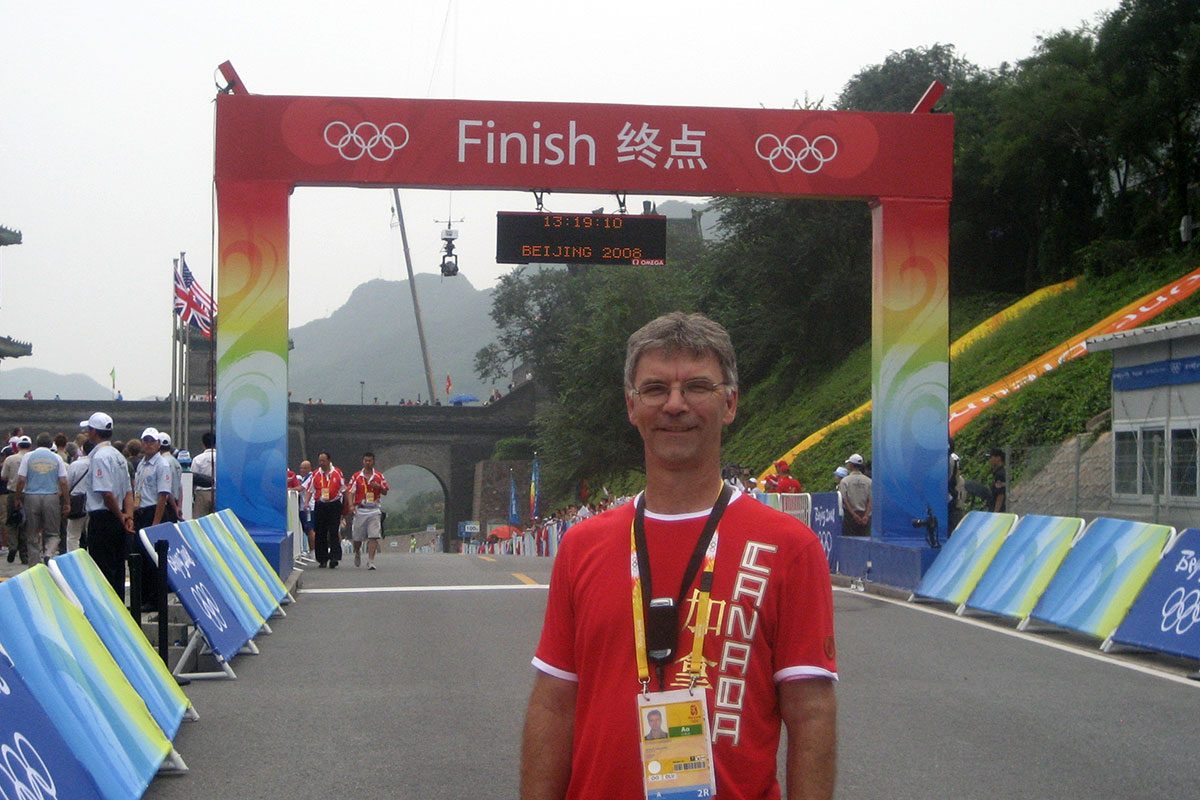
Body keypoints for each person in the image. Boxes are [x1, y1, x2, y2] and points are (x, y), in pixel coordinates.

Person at [520, 312, 837, 800]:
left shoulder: (788, 548)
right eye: (654, 389)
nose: (674, 405)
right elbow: (554, 703)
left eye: (696, 387)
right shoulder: (582, 546)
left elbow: (811, 713)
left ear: (729, 403)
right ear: (631, 406)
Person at [81, 412, 135, 601]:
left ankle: (108, 609)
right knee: (118, 568)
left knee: (103, 570)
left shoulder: (100, 457)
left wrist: (121, 516)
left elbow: (106, 493)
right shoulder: (118, 456)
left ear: (94, 432)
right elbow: (129, 491)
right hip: (118, 517)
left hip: (104, 518)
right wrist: (128, 517)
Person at [12, 433, 69, 566]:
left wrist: (17, 497)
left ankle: (34, 565)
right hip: (51, 497)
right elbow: (63, 482)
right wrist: (67, 501)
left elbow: (21, 480)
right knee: (53, 533)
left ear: (36, 443)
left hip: (31, 497)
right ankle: (48, 554)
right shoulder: (57, 458)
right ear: (50, 445)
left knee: (32, 534)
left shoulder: (28, 457)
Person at [346, 452, 389, 570]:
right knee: (357, 538)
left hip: (374, 510)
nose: (367, 463)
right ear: (363, 461)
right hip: (361, 509)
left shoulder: (379, 476)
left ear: (373, 462)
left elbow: (385, 491)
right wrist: (350, 505)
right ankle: (357, 552)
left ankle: (371, 561)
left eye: (370, 461)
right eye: (365, 460)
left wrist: (378, 487)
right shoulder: (356, 476)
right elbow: (350, 491)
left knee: (373, 536)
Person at [309, 451, 344, 568]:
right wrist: (306, 503)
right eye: (320, 461)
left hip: (334, 504)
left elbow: (344, 489)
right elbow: (311, 489)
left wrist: (347, 506)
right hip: (321, 504)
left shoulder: (337, 473)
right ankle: (322, 558)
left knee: (333, 531)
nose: (321, 463)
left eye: (323, 461)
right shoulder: (315, 474)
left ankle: (334, 557)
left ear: (329, 461)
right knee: (320, 532)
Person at [3, 436, 32, 564]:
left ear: (18, 446)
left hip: (12, 493)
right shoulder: (32, 459)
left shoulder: (10, 459)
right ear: (30, 447)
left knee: (11, 521)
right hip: (28, 494)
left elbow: (4, 476)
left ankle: (13, 546)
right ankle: (24, 554)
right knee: (26, 524)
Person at [65, 440, 94, 552]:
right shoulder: (98, 463)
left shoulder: (75, 464)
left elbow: (68, 484)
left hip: (77, 501)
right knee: (92, 533)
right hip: (94, 501)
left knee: (73, 535)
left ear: (83, 450)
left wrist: (66, 502)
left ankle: (74, 560)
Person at [840, 453, 871, 537]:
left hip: (850, 517)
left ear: (851, 465)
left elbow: (844, 500)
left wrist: (854, 515)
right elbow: (870, 500)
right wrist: (866, 516)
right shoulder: (869, 481)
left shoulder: (845, 481)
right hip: (865, 517)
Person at [158, 433, 184, 520]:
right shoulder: (176, 462)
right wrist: (179, 506)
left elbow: (167, 489)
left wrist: (174, 507)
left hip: (167, 504)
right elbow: (180, 486)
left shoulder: (162, 463)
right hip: (175, 502)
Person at [191, 432, 216, 517]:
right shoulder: (221, 458)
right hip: (218, 493)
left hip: (201, 494)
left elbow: (192, 479)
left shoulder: (197, 459)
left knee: (200, 522)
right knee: (218, 521)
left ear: (203, 444)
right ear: (216, 443)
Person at [989, 447, 1007, 512]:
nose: (990, 460)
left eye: (991, 457)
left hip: (999, 511)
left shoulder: (1000, 474)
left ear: (998, 458)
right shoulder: (997, 472)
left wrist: (995, 512)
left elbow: (1000, 495)